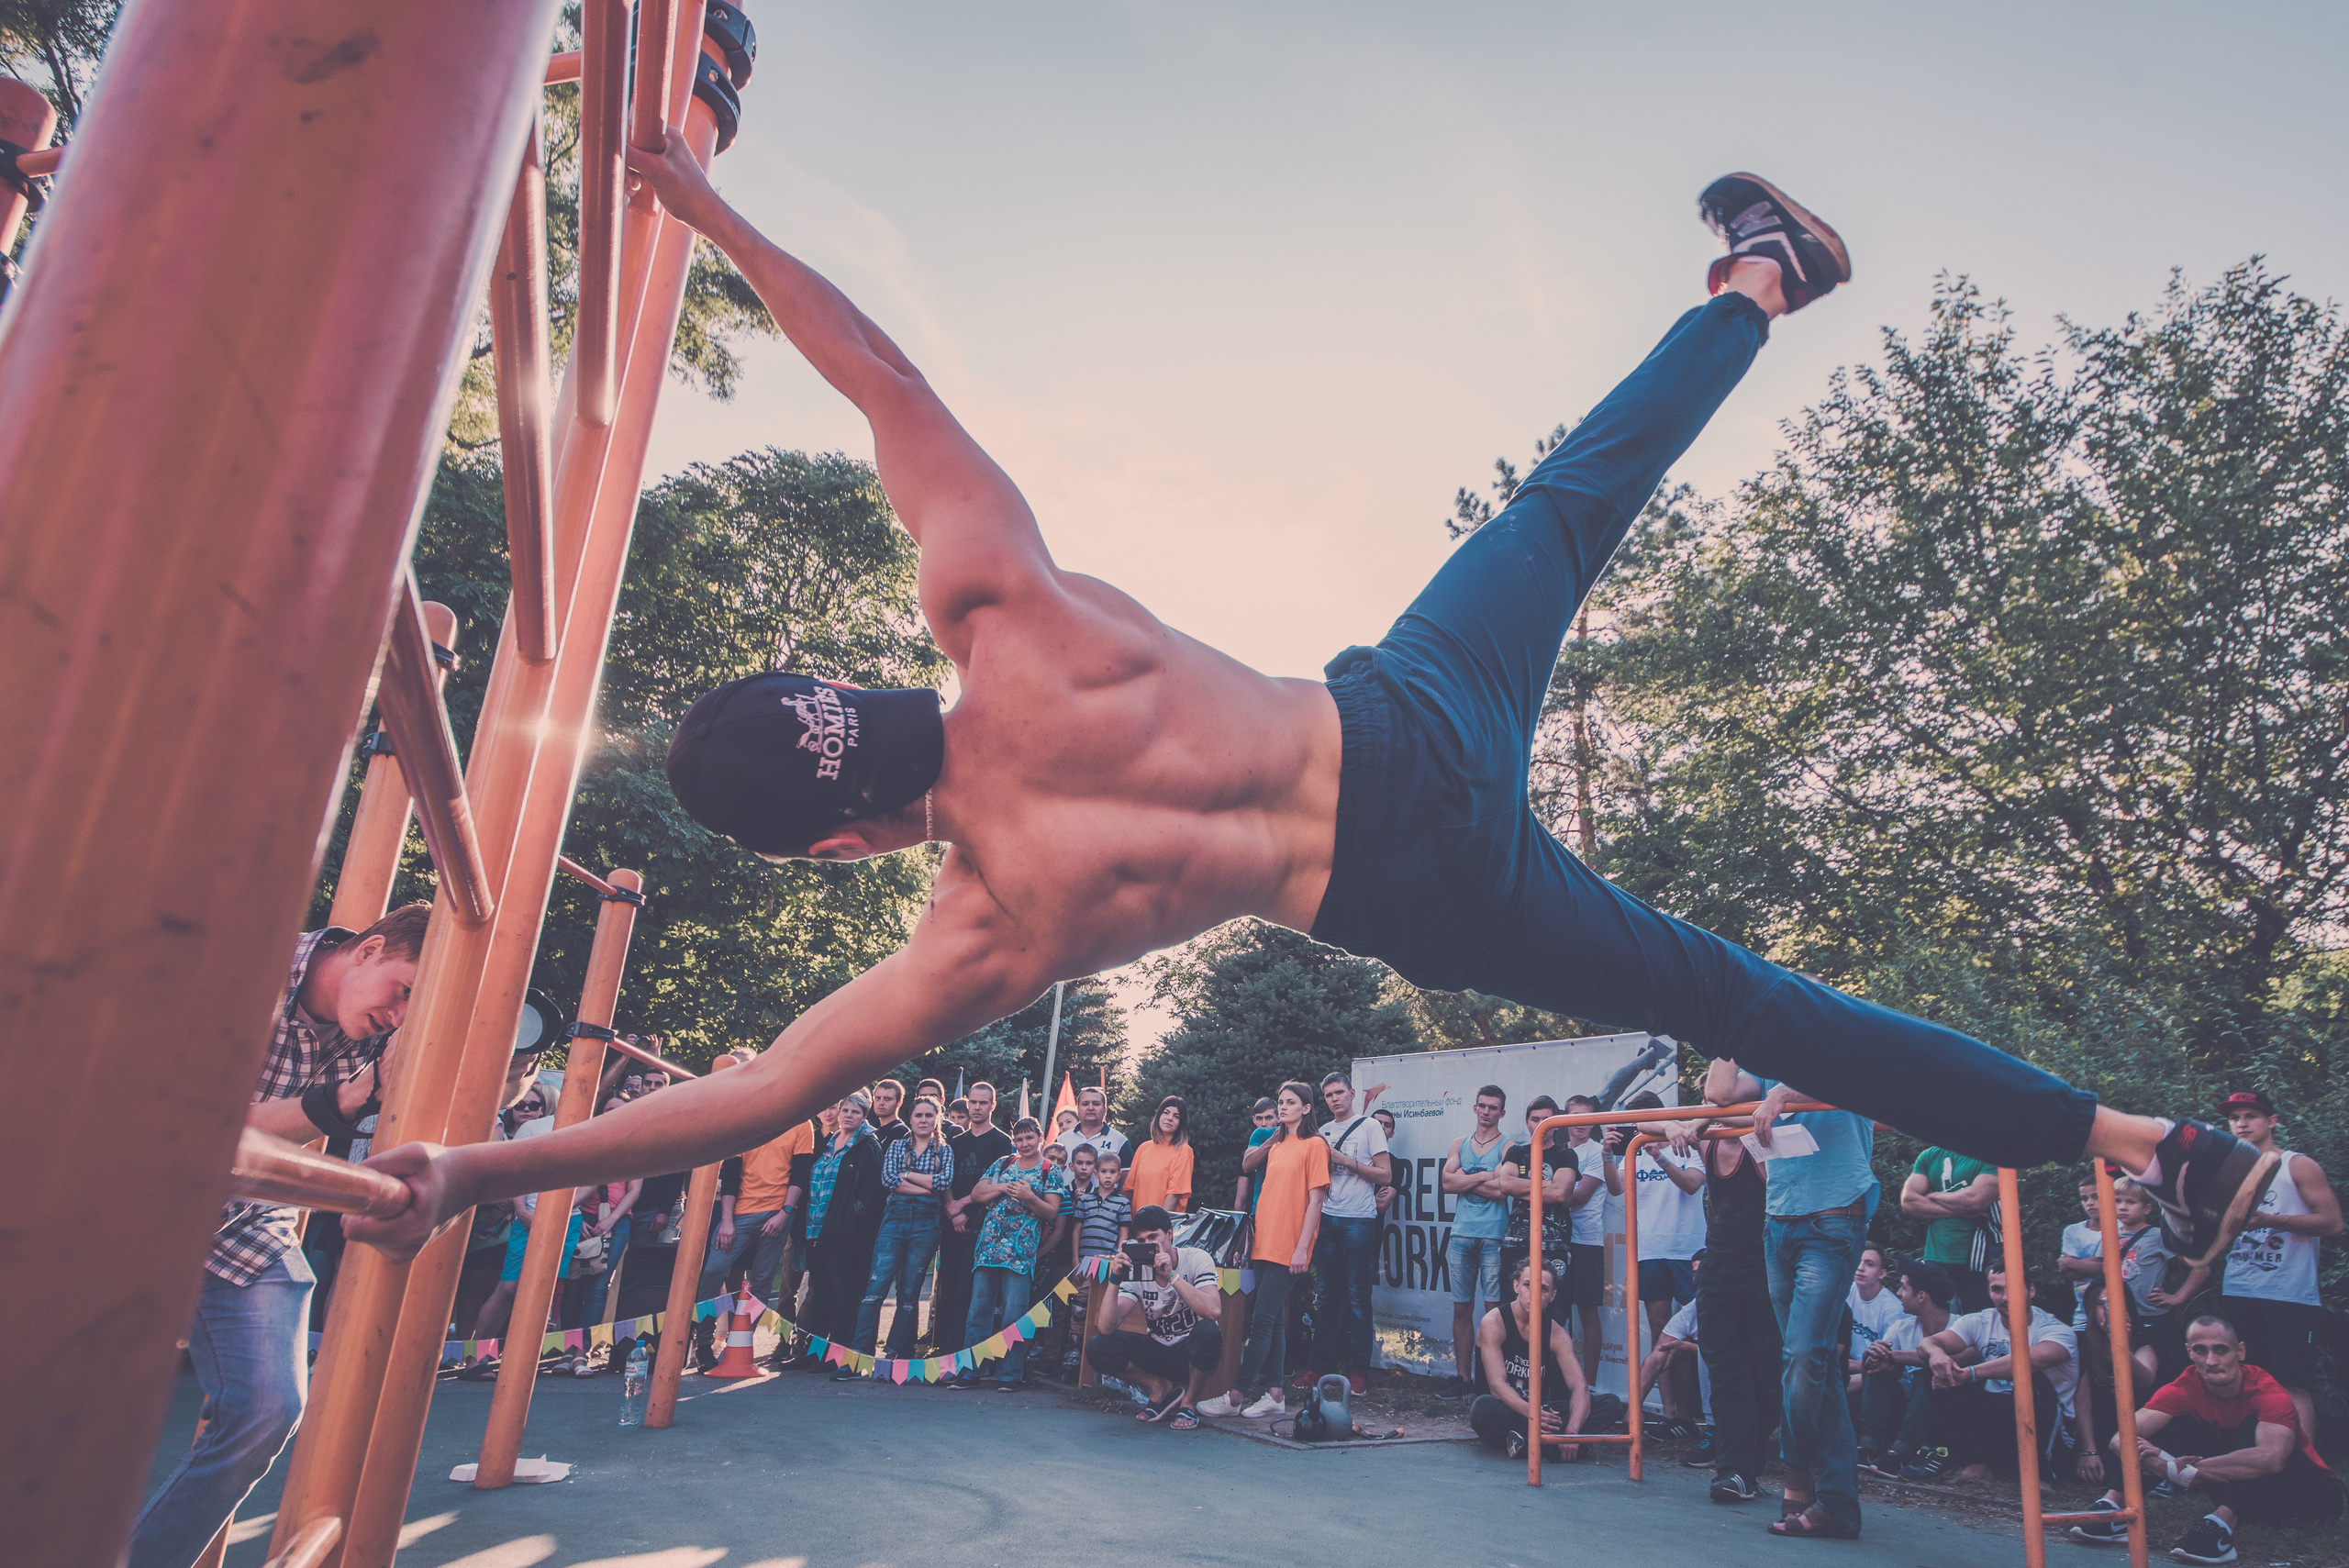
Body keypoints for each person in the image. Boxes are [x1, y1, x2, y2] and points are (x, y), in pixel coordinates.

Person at [354, 162, 2266, 1335]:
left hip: (1420, 884)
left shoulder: (984, 924)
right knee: (1571, 500)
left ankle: (2143, 1141)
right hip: (1400, 709)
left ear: (839, 845)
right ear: (842, 693)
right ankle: (1760, 274)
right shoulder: (1002, 602)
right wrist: (701, 205)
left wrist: (466, 1165)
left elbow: (751, 1097)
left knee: (1748, 999)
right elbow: (886, 378)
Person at [129, 906, 426, 1568]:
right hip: (131, 1199)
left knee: (269, 1405)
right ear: (369, 949)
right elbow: (199, 1124)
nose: (400, 1014)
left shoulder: (376, 1037)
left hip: (241, 1220)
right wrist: (342, 1101)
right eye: (403, 989)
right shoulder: (249, 971)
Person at [1697, 1060, 1878, 1540]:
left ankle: (1795, 1469)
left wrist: (1782, 1096)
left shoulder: (1842, 1044)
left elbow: (1840, 1074)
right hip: (1780, 1222)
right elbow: (1719, 1092)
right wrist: (1731, 1031)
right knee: (1815, 1362)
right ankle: (1838, 1504)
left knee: (1801, 1355)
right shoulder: (1770, 1065)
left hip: (1832, 1220)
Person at [2069, 1315, 2343, 1562]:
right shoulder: (2185, 1387)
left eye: (2221, 1350)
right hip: (2253, 1499)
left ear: (2241, 1352)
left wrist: (2180, 1470)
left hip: (2310, 1496)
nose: (2212, 1361)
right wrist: (2164, 1467)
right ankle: (2114, 1508)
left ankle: (2219, 1527)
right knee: (2174, 1428)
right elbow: (2120, 1439)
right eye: (2201, 1350)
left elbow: (2271, 1460)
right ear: (2190, 1352)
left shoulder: (2267, 1391)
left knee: (2254, 1431)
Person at [1659, 1101, 1779, 1504]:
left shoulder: (1760, 1137)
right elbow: (1638, 1118)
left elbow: (1771, 1169)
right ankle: (1735, 1470)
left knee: (1766, 1374)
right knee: (1726, 1372)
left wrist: (1704, 1119)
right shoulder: (1708, 1142)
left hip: (1764, 1270)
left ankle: (1751, 1461)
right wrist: (1679, 1126)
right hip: (1717, 1268)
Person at [2214, 1089, 2340, 1442]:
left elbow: (2332, 1222)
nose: (2241, 1123)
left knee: (2293, 1381)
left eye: (2250, 1116)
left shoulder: (2296, 1164)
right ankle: (2261, 1460)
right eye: (2234, 1117)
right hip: (2239, 1287)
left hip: (2288, 1291)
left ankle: (2307, 1468)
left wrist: (2272, 1218)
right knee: (2246, 1378)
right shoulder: (2228, 1171)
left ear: (2271, 1122)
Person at [1216, 1082, 1327, 1418]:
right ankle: (1276, 1393)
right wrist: (1273, 1137)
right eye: (1280, 1102)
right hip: (1264, 1241)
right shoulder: (1276, 1143)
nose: (1283, 1107)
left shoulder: (1315, 1145)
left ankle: (1235, 1395)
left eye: (1291, 1102)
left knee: (1261, 1321)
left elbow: (1316, 1201)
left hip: (1289, 1246)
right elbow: (1249, 1169)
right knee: (1274, 1320)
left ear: (1306, 1108)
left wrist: (1302, 1249)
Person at [1920, 1263, 2081, 1483]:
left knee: (2031, 1382)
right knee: (1936, 1371)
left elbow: (2031, 1360)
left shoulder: (2056, 1330)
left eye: (2013, 1288)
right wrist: (1936, 1354)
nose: (2005, 1297)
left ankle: (2040, 1475)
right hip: (2002, 1422)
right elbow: (1929, 1343)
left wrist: (1971, 1373)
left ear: (2031, 1290)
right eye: (1997, 1289)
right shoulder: (1981, 1321)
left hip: (2052, 1431)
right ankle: (1976, 1465)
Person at [1607, 1091, 1706, 1438]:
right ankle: (1669, 1415)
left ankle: (1695, 1417)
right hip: (1648, 1249)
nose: (1642, 1126)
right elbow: (1617, 1188)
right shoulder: (1634, 1148)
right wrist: (1606, 1155)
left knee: (1698, 1332)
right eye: (1637, 1121)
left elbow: (1693, 1185)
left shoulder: (1687, 1141)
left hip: (1687, 1249)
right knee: (1661, 1333)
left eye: (1647, 1118)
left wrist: (1661, 1158)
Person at [952, 1115, 1067, 1389]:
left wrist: (1029, 1196)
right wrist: (1003, 1186)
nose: (1024, 1143)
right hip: (988, 1249)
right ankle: (971, 1371)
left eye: (1029, 1138)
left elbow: (1051, 1212)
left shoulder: (1050, 1169)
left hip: (1021, 1252)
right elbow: (978, 1194)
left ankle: (1010, 1374)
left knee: (1014, 1315)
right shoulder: (1003, 1163)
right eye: (1019, 1139)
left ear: (1041, 1138)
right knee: (978, 1311)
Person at [1087, 1206, 1223, 1429]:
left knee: (1208, 1331)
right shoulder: (1139, 1270)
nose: (1148, 1245)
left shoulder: (1196, 1258)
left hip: (1190, 1354)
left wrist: (1171, 1275)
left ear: (1169, 1235)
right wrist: (1115, 1278)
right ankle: (1158, 1387)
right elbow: (1106, 1327)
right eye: (1141, 1241)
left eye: (1153, 1237)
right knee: (1097, 1347)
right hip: (1157, 1350)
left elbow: (1212, 1311)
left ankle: (1188, 1403)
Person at [693, 1115, 811, 1368]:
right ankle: (703, 1345)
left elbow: (801, 1174)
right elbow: (731, 1174)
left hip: (778, 1212)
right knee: (713, 1270)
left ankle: (738, 1345)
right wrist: (726, 1221)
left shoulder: (801, 1123)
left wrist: (785, 1213)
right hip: (740, 1213)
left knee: (762, 1281)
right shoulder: (748, 1120)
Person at [1302, 1071, 1388, 1394]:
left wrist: (1347, 1162)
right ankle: (1318, 1367)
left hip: (1358, 1220)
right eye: (1328, 1095)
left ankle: (1358, 1372)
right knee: (1325, 1296)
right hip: (1327, 1217)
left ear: (1352, 1094)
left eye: (1339, 1093)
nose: (1334, 1099)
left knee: (1357, 1297)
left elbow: (1385, 1174)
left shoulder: (1370, 1127)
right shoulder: (1321, 1131)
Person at [853, 1094, 952, 1363]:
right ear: (910, 1118)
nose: (923, 1120)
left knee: (909, 1293)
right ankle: (860, 1354)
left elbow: (943, 1183)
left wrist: (906, 1175)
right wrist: (925, 1187)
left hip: (925, 1225)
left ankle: (898, 1352)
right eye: (918, 1115)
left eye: (929, 1115)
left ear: (937, 1119)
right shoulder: (897, 1146)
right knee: (875, 1288)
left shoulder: (944, 1150)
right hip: (895, 1218)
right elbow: (888, 1179)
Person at [1468, 1256, 1590, 1462]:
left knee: (1608, 1405)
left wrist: (1572, 1430)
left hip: (1541, 1412)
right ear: (1516, 1286)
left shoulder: (1556, 1333)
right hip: (1506, 1410)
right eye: (1527, 1285)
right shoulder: (1494, 1322)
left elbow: (1580, 1387)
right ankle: (1548, 1445)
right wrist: (1532, 1414)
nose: (1534, 1293)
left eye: (1543, 1289)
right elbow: (1497, 1386)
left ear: (1552, 1295)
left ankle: (1532, 1441)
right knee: (1482, 1408)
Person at [1438, 1084, 1511, 1398]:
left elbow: (1501, 1190)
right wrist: (1485, 1177)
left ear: (1502, 1113)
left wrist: (1467, 1179)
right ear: (1474, 1108)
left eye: (1493, 1108)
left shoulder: (1509, 1147)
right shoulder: (1460, 1143)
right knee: (1461, 1308)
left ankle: (1492, 1382)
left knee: (1493, 1311)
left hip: (1494, 1235)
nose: (1486, 1111)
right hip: (1461, 1235)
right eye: (1482, 1105)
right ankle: (1463, 1379)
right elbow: (1446, 1182)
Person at [1856, 1262, 1956, 1483]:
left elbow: (1955, 1362)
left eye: (1903, 1288)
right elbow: (1871, 1373)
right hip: (1906, 1411)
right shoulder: (1903, 1328)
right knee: (1878, 1372)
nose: (1898, 1293)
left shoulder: (1960, 1327)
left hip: (1945, 1415)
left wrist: (1895, 1357)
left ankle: (1902, 1453)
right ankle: (1868, 1446)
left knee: (1928, 1372)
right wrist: (1872, 1358)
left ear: (1921, 1296)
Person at [807, 1094, 885, 1373]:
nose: (849, 1115)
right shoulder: (826, 1143)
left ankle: (836, 1354)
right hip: (814, 1227)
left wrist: (851, 1218)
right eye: (846, 1110)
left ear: (865, 1117)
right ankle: (815, 1352)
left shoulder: (868, 1146)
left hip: (844, 1234)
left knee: (842, 1292)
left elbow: (872, 1192)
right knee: (821, 1292)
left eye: (856, 1112)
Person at [935, 1081, 1011, 1356]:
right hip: (951, 1223)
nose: (977, 1107)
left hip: (982, 1226)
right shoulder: (955, 1142)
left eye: (983, 1102)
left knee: (973, 1293)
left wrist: (964, 1209)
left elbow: (998, 1185)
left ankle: (964, 1352)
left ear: (993, 1105)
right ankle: (941, 1348)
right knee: (948, 1287)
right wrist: (950, 1207)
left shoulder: (1003, 1142)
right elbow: (945, 1180)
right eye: (973, 1102)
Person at [1495, 1095, 1575, 1296]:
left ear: (1557, 1124)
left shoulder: (1566, 1155)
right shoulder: (1516, 1152)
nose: (1541, 1125)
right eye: (1535, 1119)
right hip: (1516, 1244)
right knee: (1512, 1308)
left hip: (1553, 1246)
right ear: (1527, 1123)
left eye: (1546, 1120)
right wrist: (1548, 1184)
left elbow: (1560, 1193)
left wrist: (1521, 1188)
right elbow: (1505, 1184)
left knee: (1553, 1309)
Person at [1902, 1146, 1998, 1312]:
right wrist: (1962, 1209)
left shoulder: (1992, 1155)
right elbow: (1909, 1202)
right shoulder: (1930, 1155)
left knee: (1977, 1325)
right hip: (1936, 1258)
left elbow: (1974, 1201)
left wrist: (1934, 1195)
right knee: (1938, 1327)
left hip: (1978, 1260)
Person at [1559, 1094, 1609, 1384]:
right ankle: (1557, 1382)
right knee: (1554, 1313)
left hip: (1586, 1241)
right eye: (1575, 1116)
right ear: (1565, 1118)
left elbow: (1580, 1195)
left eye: (1587, 1118)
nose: (1581, 1124)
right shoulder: (1556, 1150)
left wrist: (1543, 1193)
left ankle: (1588, 1386)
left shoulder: (1597, 1151)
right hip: (1557, 1239)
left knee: (1588, 1313)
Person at [1845, 1245, 1903, 1396]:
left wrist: (1849, 1365)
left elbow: (1891, 1365)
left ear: (1882, 1273)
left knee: (1833, 1389)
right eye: (1858, 1261)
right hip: (1851, 1364)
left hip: (1879, 1374)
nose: (1860, 1268)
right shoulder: (1848, 1291)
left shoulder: (1892, 1310)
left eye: (1869, 1264)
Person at [1126, 1094, 1194, 1214]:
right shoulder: (1143, 1148)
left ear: (1181, 1123)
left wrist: (1158, 1226)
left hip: (1160, 1226)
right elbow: (1128, 1189)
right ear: (1158, 1116)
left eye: (1176, 1116)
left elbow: (1174, 1194)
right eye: (1166, 1112)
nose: (1169, 1118)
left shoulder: (1184, 1150)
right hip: (1135, 1225)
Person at [1054, 1085, 1130, 1165]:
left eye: (1096, 1104)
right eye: (1085, 1104)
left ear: (1105, 1111)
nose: (1090, 1108)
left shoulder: (1120, 1141)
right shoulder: (1061, 1140)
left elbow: (1126, 1176)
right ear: (1078, 1110)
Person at [1231, 1097, 1277, 1211]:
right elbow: (1241, 1198)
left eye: (1269, 1118)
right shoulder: (1247, 1155)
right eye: (1259, 1118)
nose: (1264, 1123)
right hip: (1256, 1213)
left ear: (1279, 1118)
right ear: (1254, 1120)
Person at [866, 1077, 908, 1144]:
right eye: (878, 1098)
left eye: (887, 1099)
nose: (881, 1103)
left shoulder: (901, 1132)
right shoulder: (875, 1133)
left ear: (899, 1103)